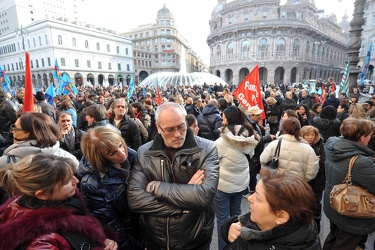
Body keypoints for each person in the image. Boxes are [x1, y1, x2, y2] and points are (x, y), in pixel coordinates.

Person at [127, 102, 219, 250]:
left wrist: (156, 187)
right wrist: (186, 205)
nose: (177, 134)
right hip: (155, 241)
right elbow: (135, 200)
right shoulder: (144, 152)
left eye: (181, 126)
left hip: (195, 242)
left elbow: (203, 197)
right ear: (158, 128)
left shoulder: (207, 148)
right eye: (169, 130)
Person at [0, 153, 118, 249]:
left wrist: (101, 240)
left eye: (73, 175)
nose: (76, 181)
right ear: (43, 194)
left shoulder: (67, 201)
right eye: (66, 181)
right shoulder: (40, 243)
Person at [220, 168, 320, 249]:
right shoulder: (300, 228)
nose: (250, 198)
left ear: (281, 216)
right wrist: (229, 228)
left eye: (258, 198)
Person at [79, 127, 143, 249]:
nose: (122, 153)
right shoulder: (92, 184)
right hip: (131, 235)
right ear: (100, 157)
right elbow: (113, 227)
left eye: (120, 145)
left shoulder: (135, 156)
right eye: (112, 153)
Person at [323, 118, 375, 250]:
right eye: (369, 135)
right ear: (362, 138)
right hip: (351, 211)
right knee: (346, 244)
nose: (370, 138)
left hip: (334, 204)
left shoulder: (333, 148)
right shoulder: (360, 162)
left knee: (334, 238)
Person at [214, 106, 259, 250]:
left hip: (223, 186)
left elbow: (211, 160)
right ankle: (238, 246)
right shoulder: (249, 135)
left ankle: (225, 247)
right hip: (241, 183)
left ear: (230, 119)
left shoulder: (222, 142)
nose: (222, 120)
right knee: (237, 216)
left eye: (224, 117)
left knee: (223, 220)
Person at [0, 112, 78, 169]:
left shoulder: (4, 164)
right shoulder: (70, 159)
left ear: (27, 133)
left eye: (15, 128)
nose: (12, 131)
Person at [260, 117, 319, 182]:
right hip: (297, 184)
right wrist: (303, 180)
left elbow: (263, 160)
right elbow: (312, 171)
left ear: (284, 130)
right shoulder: (308, 149)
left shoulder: (275, 144)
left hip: (277, 182)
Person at [301, 125, 326, 233]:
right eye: (307, 135)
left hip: (317, 182)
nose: (310, 137)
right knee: (302, 204)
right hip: (303, 182)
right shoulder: (299, 146)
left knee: (316, 204)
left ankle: (316, 226)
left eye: (313, 134)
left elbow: (324, 165)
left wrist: (313, 163)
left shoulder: (321, 146)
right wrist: (314, 160)